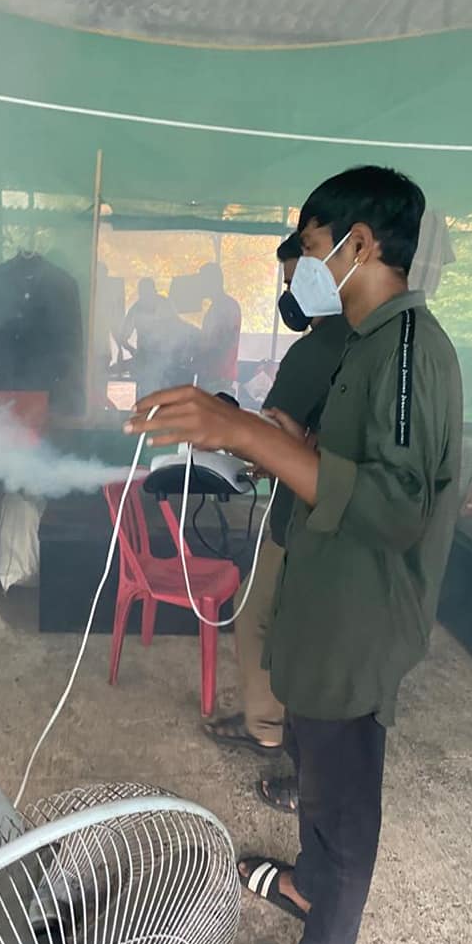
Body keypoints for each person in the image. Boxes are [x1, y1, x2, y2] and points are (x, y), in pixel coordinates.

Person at [124, 165, 463, 944]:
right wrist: (283, 440)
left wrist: (248, 435)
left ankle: (327, 933)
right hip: (323, 604)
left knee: (344, 810)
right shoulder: (364, 344)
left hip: (358, 622)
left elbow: (397, 509)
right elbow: (342, 461)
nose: (304, 267)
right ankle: (308, 881)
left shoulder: (407, 350)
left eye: (312, 248)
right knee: (313, 769)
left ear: (360, 244)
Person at [204, 232, 350, 821]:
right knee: (276, 623)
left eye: (297, 278)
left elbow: (276, 441)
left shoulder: (319, 350)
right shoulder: (368, 344)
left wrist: (233, 432)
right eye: (287, 282)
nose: (290, 293)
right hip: (323, 520)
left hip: (307, 521)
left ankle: (297, 760)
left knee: (280, 631)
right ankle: (269, 726)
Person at [120, 278, 196, 399]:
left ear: (154, 291)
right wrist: (133, 351)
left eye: (149, 292)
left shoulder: (165, 304)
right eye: (144, 293)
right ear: (140, 294)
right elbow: (123, 337)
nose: (147, 297)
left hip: (167, 359)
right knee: (145, 392)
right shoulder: (135, 310)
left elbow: (178, 325)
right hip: (145, 360)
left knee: (164, 391)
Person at [195, 263, 242, 394]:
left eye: (202, 281)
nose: (200, 286)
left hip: (218, 376)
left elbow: (221, 342)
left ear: (212, 282)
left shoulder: (225, 307)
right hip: (214, 375)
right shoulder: (220, 306)